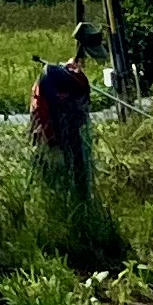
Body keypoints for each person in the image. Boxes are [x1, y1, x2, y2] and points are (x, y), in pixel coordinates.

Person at [29, 36, 96, 194]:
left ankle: (79, 194)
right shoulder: (50, 84)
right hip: (49, 131)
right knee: (55, 164)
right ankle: (58, 194)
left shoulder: (73, 81)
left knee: (76, 160)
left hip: (65, 126)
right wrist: (55, 140)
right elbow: (47, 115)